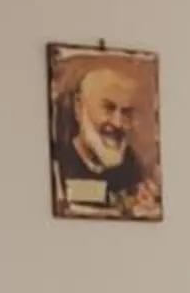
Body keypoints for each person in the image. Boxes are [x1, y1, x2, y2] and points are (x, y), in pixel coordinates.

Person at [50, 50, 157, 215]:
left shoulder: (132, 168)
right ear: (79, 107)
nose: (118, 123)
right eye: (108, 108)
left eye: (126, 112)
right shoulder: (61, 163)